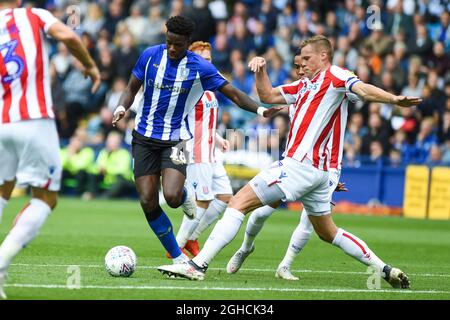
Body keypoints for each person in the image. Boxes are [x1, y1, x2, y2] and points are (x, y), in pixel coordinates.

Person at [157, 35, 421, 289]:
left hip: (299, 165)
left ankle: (197, 265)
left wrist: (393, 99)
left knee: (238, 202)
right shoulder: (304, 86)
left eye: (307, 58)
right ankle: (385, 269)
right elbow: (268, 96)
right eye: (300, 59)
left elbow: (361, 89)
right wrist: (260, 70)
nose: (302, 63)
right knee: (328, 232)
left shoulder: (336, 75)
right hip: (317, 173)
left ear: (323, 56)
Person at [112, 16, 280, 266]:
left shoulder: (200, 67)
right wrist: (121, 107)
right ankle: (178, 257)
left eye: (177, 44)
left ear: (187, 42)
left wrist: (260, 110)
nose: (171, 48)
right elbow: (131, 87)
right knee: (148, 200)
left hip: (177, 141)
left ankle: (184, 195)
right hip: (143, 138)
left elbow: (233, 94)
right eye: (169, 42)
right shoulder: (149, 55)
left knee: (171, 196)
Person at [0, 0, 101, 299]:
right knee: (45, 198)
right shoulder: (34, 15)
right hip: (35, 120)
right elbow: (69, 35)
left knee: (3, 190)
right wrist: (91, 65)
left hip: (2, 121)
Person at [226, 54, 356, 280]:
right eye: (297, 67)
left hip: (326, 167)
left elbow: (356, 89)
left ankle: (285, 265)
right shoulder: (300, 91)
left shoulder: (336, 90)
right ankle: (246, 247)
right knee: (259, 214)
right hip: (295, 164)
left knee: (309, 220)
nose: (300, 70)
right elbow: (269, 98)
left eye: (304, 65)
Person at [172, 41, 233, 258]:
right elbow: (179, 120)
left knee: (225, 197)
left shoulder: (210, 88)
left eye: (209, 59)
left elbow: (203, 121)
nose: (208, 63)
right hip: (196, 152)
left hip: (211, 152)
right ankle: (176, 246)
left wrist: (217, 138)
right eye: (203, 59)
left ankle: (192, 237)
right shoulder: (189, 89)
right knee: (203, 200)